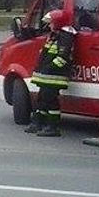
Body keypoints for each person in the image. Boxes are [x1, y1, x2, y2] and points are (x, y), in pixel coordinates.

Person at [25, 8, 77, 137]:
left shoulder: (65, 37)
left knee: (51, 101)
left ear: (58, 23)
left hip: (55, 76)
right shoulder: (55, 35)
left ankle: (53, 127)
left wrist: (48, 68)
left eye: (52, 22)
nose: (50, 25)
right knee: (42, 99)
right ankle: (38, 123)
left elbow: (63, 58)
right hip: (47, 76)